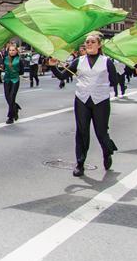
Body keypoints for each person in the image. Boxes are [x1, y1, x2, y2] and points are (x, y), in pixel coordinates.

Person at [48, 33, 119, 177]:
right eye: (87, 42)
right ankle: (80, 164)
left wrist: (103, 86)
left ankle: (107, 152)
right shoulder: (78, 61)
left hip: (101, 101)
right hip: (82, 100)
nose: (89, 44)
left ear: (99, 45)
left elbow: (114, 81)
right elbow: (63, 76)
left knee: (101, 132)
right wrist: (53, 66)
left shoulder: (107, 62)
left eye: (92, 42)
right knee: (82, 132)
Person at [0, 42, 22, 124]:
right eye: (10, 50)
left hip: (15, 80)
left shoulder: (19, 60)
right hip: (7, 80)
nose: (11, 51)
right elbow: (3, 68)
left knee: (12, 98)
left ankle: (10, 117)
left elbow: (21, 72)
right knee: (7, 97)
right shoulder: (5, 59)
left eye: (13, 50)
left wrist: (15, 71)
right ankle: (15, 107)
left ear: (16, 51)